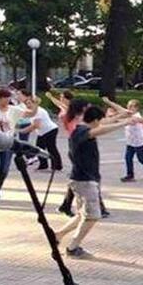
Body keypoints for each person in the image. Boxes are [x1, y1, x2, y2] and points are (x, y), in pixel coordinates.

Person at [54, 106, 131, 257]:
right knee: (93, 216)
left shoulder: (80, 129)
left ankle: (57, 235)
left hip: (83, 179)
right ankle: (73, 248)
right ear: (95, 120)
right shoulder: (83, 132)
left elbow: (104, 123)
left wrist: (122, 117)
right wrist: (124, 123)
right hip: (84, 180)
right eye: (100, 121)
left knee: (83, 214)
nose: (102, 123)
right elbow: (99, 130)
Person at [100, 97, 143, 183]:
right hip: (130, 141)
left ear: (137, 108)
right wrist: (109, 102)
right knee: (128, 158)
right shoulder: (129, 113)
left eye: (132, 106)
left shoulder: (136, 116)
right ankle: (130, 175)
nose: (129, 107)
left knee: (141, 159)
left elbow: (123, 119)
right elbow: (119, 108)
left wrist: (113, 117)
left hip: (138, 141)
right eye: (128, 106)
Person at [19, 96, 63, 171]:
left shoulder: (39, 111)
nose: (28, 105)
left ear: (34, 103)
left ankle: (57, 166)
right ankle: (43, 165)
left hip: (50, 130)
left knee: (51, 148)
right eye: (26, 104)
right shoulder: (31, 111)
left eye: (29, 103)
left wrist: (23, 131)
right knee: (39, 148)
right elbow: (22, 117)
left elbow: (36, 125)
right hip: (42, 132)